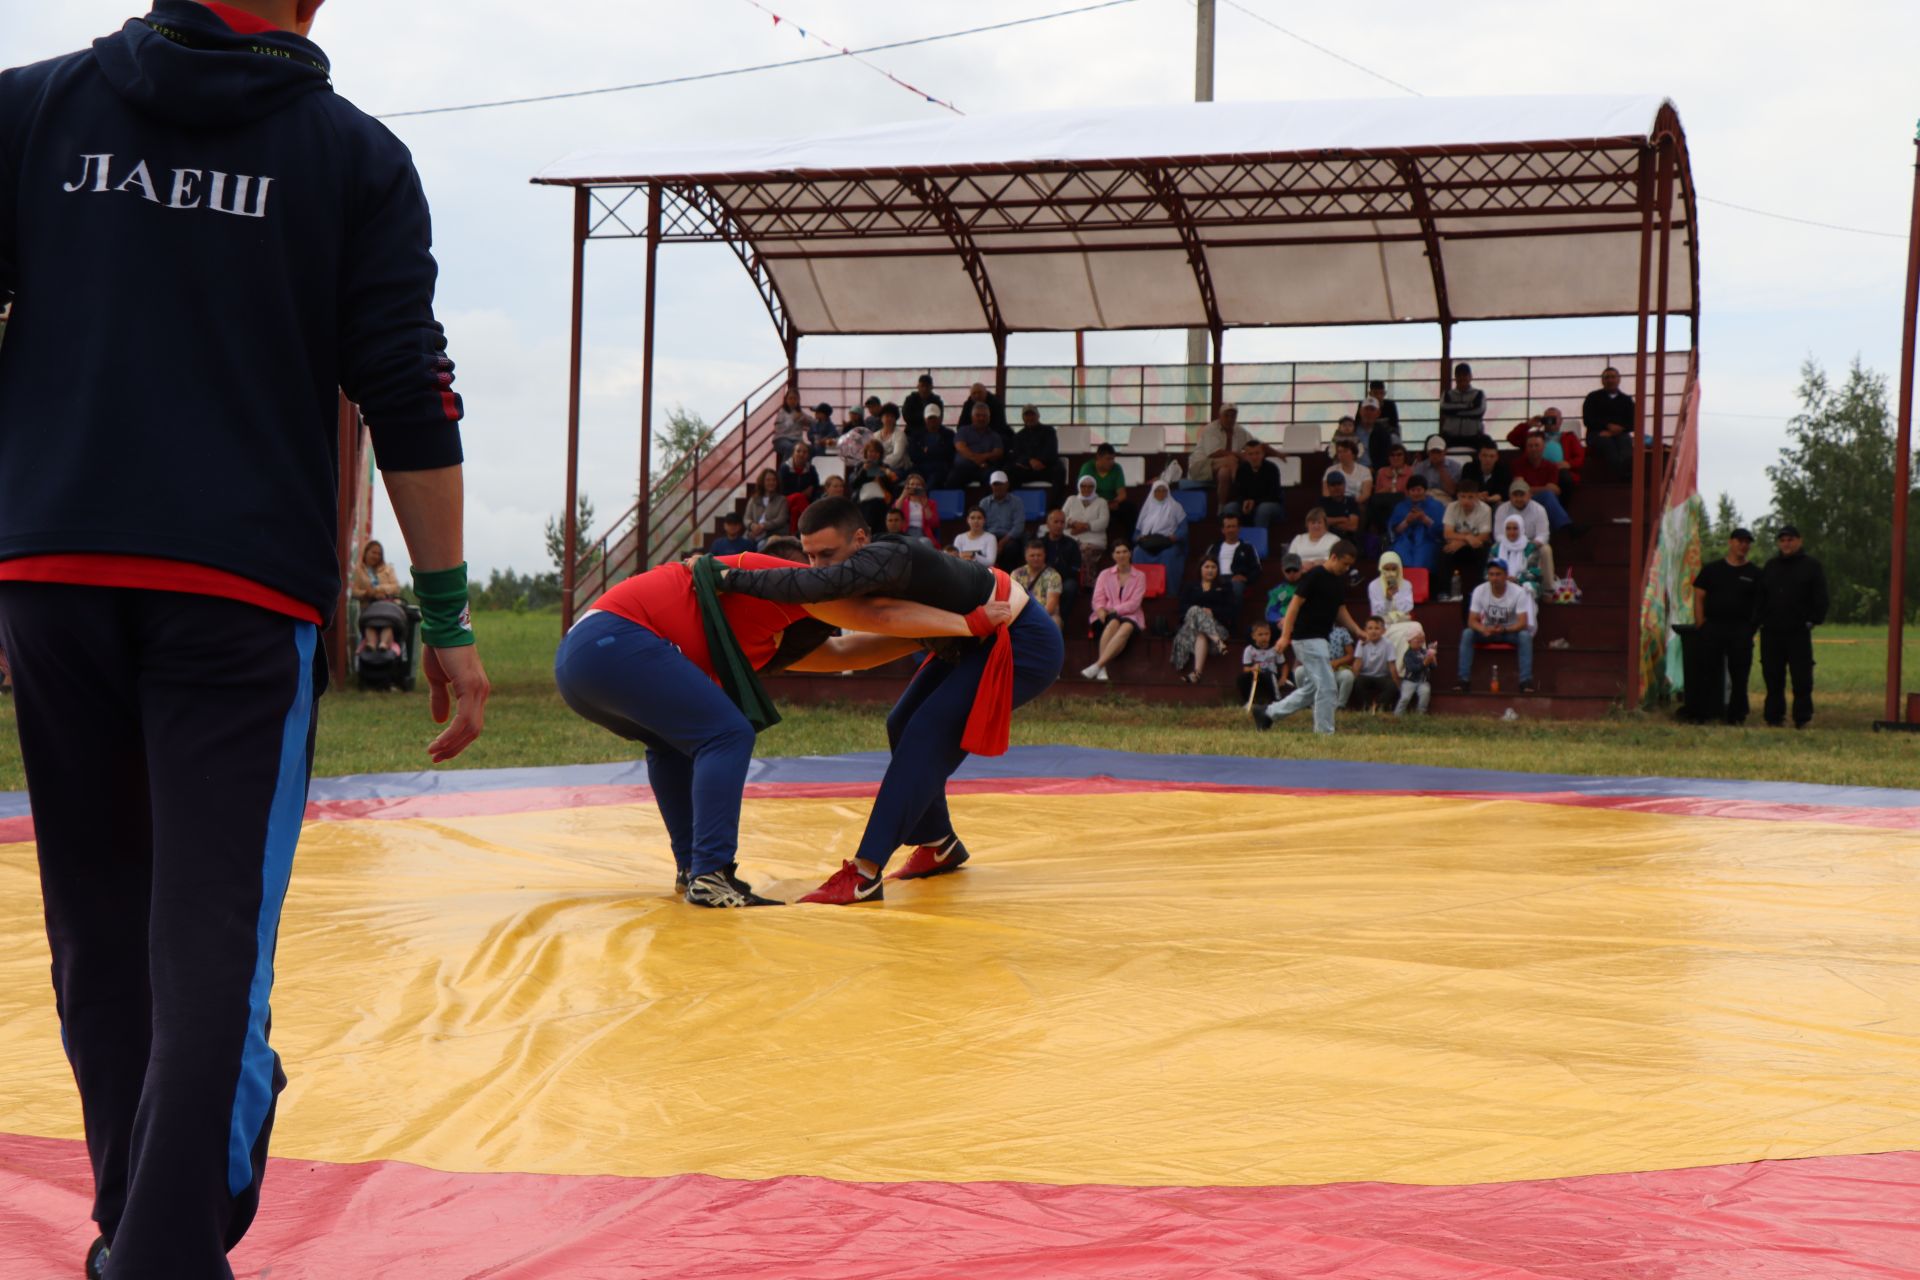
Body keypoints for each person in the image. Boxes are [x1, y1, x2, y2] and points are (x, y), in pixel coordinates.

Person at [0, 3, 493, 1275]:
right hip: (237, 590)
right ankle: (165, 1247)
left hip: (56, 566)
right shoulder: (353, 158)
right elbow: (410, 389)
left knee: (99, 921)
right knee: (210, 929)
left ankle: (137, 1225)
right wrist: (441, 614)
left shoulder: (34, 110)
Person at [564, 536, 1013, 908]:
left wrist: (930, 637)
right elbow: (876, 615)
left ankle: (694, 871)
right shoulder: (770, 579)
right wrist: (966, 623)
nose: (823, 577)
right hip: (614, 640)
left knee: (672, 744)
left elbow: (843, 652)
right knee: (726, 732)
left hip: (581, 660)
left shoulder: (770, 635)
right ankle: (711, 873)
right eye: (814, 566)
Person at [716, 498, 1063, 903]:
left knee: (927, 732)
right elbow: (848, 644)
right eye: (810, 555)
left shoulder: (889, 558)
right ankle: (939, 843)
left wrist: (726, 575)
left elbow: (811, 588)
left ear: (861, 539)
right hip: (973, 638)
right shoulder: (869, 575)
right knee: (902, 722)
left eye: (828, 554)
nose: (819, 567)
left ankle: (865, 872)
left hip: (1021, 640)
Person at [1252, 539, 1364, 734]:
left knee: (1313, 688)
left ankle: (1268, 713)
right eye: (1344, 563)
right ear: (1334, 557)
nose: (1347, 569)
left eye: (1350, 565)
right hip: (1306, 638)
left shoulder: (1337, 581)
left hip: (1320, 638)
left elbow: (1340, 610)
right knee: (1328, 687)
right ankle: (1324, 733)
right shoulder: (1314, 576)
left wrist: (1357, 630)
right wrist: (1285, 636)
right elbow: (1294, 606)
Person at [1691, 527, 1763, 725]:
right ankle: (1702, 713)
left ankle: (1736, 715)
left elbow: (1760, 604)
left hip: (1740, 629)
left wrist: (1751, 627)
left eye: (1747, 542)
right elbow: (1699, 595)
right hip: (1713, 627)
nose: (1743, 545)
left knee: (1740, 674)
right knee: (1706, 671)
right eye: (1739, 541)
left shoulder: (1755, 573)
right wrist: (1700, 623)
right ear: (1730, 543)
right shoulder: (1712, 570)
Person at [1759, 525, 1829, 729]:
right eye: (1782, 540)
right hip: (1772, 630)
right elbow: (1760, 596)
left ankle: (1802, 717)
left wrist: (1813, 620)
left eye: (1790, 540)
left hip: (1798, 630)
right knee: (1772, 676)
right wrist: (1760, 619)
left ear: (1799, 541)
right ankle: (1773, 717)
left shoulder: (1812, 566)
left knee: (1801, 677)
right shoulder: (1771, 566)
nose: (1786, 544)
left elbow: (1821, 597)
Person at [1457, 560, 1536, 693]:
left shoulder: (1518, 592)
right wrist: (1483, 629)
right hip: (1487, 630)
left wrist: (1504, 629)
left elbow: (1523, 622)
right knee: (1467, 633)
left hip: (1509, 631)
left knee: (1525, 636)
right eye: (1491, 574)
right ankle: (1463, 681)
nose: (1494, 578)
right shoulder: (1480, 590)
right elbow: (1471, 621)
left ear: (1506, 575)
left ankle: (1525, 682)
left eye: (1498, 574)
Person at [1083, 541, 1146, 682]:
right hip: (1106, 615)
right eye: (1118, 552)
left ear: (1130, 553)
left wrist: (1113, 610)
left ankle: (1099, 665)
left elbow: (1135, 603)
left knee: (1127, 626)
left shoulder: (1140, 576)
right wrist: (1100, 609)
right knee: (1113, 623)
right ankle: (1101, 668)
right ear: (1113, 556)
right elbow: (1097, 598)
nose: (1121, 555)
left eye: (1124, 551)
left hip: (1131, 614)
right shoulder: (1104, 574)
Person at [1172, 557, 1236, 684]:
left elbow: (1231, 610)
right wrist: (1200, 612)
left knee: (1202, 633)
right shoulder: (1190, 586)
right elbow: (1182, 609)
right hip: (1192, 631)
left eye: (1213, 567)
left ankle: (1196, 673)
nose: (1210, 570)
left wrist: (1213, 612)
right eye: (1207, 567)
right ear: (1200, 569)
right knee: (1195, 610)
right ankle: (1218, 642)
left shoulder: (1225, 587)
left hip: (1218, 628)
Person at [1492, 481, 1559, 585]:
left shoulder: (1539, 509)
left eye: (1522, 495)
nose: (1518, 499)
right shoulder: (1502, 509)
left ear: (1529, 495)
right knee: (1494, 547)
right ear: (1510, 496)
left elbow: (1543, 535)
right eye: (1515, 495)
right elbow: (1498, 535)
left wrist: (1529, 545)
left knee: (1546, 550)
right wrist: (1512, 544)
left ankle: (1548, 589)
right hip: (1509, 543)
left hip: (1532, 544)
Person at [1187, 403, 1252, 506]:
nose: (1230, 419)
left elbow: (1255, 445)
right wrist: (1240, 455)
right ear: (1220, 416)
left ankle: (1222, 508)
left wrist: (1274, 453)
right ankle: (1241, 492)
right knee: (1232, 459)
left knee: (1224, 472)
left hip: (1222, 467)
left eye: (1233, 416)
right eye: (1226, 416)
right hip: (1199, 467)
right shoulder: (1210, 429)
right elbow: (1213, 452)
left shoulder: (1240, 430)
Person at [352, 540, 406, 658]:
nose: (376, 556)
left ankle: (383, 645)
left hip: (388, 606)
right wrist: (367, 593)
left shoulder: (388, 569)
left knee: (387, 623)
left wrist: (378, 589)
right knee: (370, 625)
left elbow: (396, 587)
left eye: (379, 553)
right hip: (369, 608)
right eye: (373, 552)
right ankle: (370, 646)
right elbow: (354, 592)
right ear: (366, 552)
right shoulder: (359, 571)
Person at [1509, 431, 1576, 529]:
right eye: (1530, 446)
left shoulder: (1551, 466)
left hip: (1544, 503)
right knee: (1547, 495)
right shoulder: (1518, 464)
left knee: (1549, 497)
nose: (1533, 449)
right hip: (1524, 501)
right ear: (1526, 448)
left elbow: (1554, 490)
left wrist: (1531, 489)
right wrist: (1545, 489)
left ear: (1543, 447)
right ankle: (1567, 526)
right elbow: (1520, 490)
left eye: (1536, 445)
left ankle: (1562, 526)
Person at [1130, 478, 1188, 589]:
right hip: (1148, 543)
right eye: (1157, 490)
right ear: (1153, 492)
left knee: (1168, 555)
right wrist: (1139, 538)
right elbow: (1136, 533)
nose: (1161, 493)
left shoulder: (1176, 507)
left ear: (1168, 492)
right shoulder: (1146, 508)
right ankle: (1140, 590)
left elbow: (1183, 529)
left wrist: (1175, 537)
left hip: (1168, 543)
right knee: (1137, 552)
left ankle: (1169, 591)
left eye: (1164, 490)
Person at [1441, 480, 1493, 603]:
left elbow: (1484, 536)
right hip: (1460, 544)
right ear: (1458, 496)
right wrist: (1467, 537)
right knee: (1444, 551)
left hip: (1474, 545)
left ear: (1477, 497)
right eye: (1462, 497)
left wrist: (1463, 542)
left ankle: (1479, 590)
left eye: (1470, 497)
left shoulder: (1485, 509)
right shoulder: (1451, 507)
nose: (1466, 501)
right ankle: (1444, 591)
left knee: (1484, 548)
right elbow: (1447, 533)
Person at [1582, 366, 1636, 478]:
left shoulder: (1626, 400)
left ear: (1619, 379)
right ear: (1602, 380)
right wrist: (1607, 426)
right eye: (1607, 377)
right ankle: (1620, 476)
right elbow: (1588, 420)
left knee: (1626, 443)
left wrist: (1617, 431)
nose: (1610, 380)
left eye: (1613, 377)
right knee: (1607, 444)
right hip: (1596, 434)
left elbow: (1633, 422)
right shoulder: (1592, 397)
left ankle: (1627, 475)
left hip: (1621, 433)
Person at [1387, 474, 1447, 572]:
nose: (1416, 493)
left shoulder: (1436, 505)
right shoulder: (1401, 506)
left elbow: (1441, 530)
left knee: (1422, 556)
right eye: (1412, 490)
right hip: (1404, 540)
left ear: (1425, 490)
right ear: (1408, 492)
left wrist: (1424, 519)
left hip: (1428, 539)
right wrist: (1407, 521)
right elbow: (1395, 530)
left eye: (1419, 490)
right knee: (1399, 553)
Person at [1226, 439, 1286, 534]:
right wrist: (1244, 502)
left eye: (1257, 453)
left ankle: (1258, 542)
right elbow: (1237, 493)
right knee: (1230, 507)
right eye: (1250, 454)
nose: (1254, 457)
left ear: (1263, 454)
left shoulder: (1272, 469)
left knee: (1263, 509)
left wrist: (1255, 502)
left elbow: (1274, 495)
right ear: (1246, 456)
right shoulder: (1242, 469)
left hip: (1271, 505)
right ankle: (1233, 541)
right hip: (1247, 504)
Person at [1204, 512, 1261, 605]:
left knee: (1236, 588)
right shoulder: (1214, 547)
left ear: (1239, 529)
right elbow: (1204, 566)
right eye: (1228, 527)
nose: (1231, 530)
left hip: (1235, 580)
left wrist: (1246, 578)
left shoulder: (1248, 547)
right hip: (1216, 578)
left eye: (1233, 526)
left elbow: (1256, 569)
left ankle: (1232, 619)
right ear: (1223, 530)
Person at [949, 399, 1007, 488]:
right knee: (951, 480)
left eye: (984, 416)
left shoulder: (994, 435)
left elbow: (998, 452)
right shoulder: (963, 431)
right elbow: (961, 448)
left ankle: (986, 502)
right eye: (978, 415)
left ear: (989, 418)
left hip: (985, 469)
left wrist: (981, 459)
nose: (981, 418)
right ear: (972, 417)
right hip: (963, 468)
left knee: (993, 478)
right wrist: (979, 461)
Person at [1489, 514, 1547, 600]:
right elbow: (1487, 572)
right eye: (1508, 529)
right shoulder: (1496, 548)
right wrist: (1501, 579)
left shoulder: (1530, 548)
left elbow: (1534, 573)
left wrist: (1517, 580)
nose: (1511, 532)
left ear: (1521, 529)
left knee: (1529, 589)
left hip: (1522, 583)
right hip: (1499, 582)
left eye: (1515, 528)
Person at [977, 470, 1027, 566]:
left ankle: (1007, 576)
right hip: (989, 536)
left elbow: (1018, 527)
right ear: (991, 486)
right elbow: (981, 525)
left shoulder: (1016, 502)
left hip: (1009, 537)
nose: (998, 487)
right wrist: (991, 541)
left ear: (1007, 485)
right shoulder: (984, 503)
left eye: (1000, 484)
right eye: (995, 484)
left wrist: (1002, 543)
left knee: (1011, 548)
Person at [852, 439, 901, 532]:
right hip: (864, 504)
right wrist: (864, 471)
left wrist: (883, 472)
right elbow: (854, 484)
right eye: (871, 451)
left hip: (882, 503)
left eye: (876, 452)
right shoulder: (859, 466)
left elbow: (892, 485)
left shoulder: (885, 467)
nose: (873, 454)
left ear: (880, 454)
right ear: (866, 453)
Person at [1009, 405, 1064, 489]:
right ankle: (1015, 501)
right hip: (1027, 470)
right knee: (1009, 471)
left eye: (1032, 415)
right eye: (1027, 415)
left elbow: (1052, 452)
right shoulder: (1018, 436)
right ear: (1023, 418)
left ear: (1038, 416)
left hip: (1046, 468)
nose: (1030, 418)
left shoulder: (1049, 431)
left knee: (1060, 470)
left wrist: (1040, 461)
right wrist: (1030, 461)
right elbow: (1017, 455)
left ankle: (1054, 502)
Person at [1012, 541, 1064, 628]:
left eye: (1039, 555)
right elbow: (1012, 600)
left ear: (1044, 556)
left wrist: (1033, 620)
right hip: (1021, 614)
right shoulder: (1016, 574)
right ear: (1025, 556)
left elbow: (1051, 606)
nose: (1036, 558)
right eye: (1032, 555)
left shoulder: (1054, 575)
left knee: (1055, 621)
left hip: (1045, 615)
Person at [1063, 473, 1111, 567]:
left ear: (1094, 487)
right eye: (1083, 486)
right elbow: (1061, 518)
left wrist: (1083, 527)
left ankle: (1087, 582)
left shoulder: (1101, 502)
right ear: (1078, 486)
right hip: (1071, 539)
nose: (1086, 489)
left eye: (1090, 486)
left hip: (1094, 541)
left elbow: (1103, 522)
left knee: (1086, 552)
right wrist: (1074, 523)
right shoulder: (1071, 500)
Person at [1349, 617, 1397, 711]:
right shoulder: (1362, 642)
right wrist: (1354, 677)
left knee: (1392, 686)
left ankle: (1378, 706)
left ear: (1383, 631)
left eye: (1377, 628)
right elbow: (1357, 664)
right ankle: (1367, 706)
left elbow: (1392, 666)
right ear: (1365, 630)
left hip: (1382, 676)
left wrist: (1397, 683)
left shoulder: (1388, 644)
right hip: (1365, 676)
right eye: (1370, 628)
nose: (1373, 631)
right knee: (1357, 683)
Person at [1076, 441, 1130, 518]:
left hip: (1111, 504)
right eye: (1108, 459)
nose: (1111, 462)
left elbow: (1122, 494)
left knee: (1129, 508)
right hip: (1092, 503)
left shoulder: (1117, 468)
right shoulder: (1087, 468)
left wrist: (1114, 502)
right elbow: (1083, 492)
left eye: (1113, 459)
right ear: (1098, 457)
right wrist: (1101, 505)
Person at [1392, 625, 1437, 716]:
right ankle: (1397, 715)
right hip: (1410, 681)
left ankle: (1420, 714)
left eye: (1421, 639)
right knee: (1405, 697)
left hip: (1423, 681)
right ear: (1409, 641)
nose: (1419, 641)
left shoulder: (1425, 652)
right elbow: (1413, 669)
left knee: (1425, 694)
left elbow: (1433, 667)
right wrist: (1425, 662)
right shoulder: (1408, 654)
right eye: (1416, 639)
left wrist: (1433, 658)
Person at [907, 403, 955, 489]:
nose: (932, 421)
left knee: (933, 481)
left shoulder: (949, 434)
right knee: (912, 480)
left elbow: (949, 454)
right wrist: (936, 452)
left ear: (940, 419)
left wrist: (927, 451)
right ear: (925, 419)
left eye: (935, 418)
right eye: (930, 418)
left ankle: (924, 498)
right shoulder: (916, 435)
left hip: (940, 469)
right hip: (920, 468)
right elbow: (913, 455)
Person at [1438, 362, 1487, 445]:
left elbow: (1479, 412)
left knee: (1489, 445)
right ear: (1455, 377)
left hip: (1474, 436)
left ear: (1471, 377)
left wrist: (1453, 412)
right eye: (1459, 375)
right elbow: (1444, 409)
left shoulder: (1479, 393)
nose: (1462, 378)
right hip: (1450, 437)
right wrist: (1469, 406)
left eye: (1465, 375)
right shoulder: (1447, 394)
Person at [1368, 442, 1413, 531]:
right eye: (1392, 455)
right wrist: (1385, 490)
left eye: (1399, 455)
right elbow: (1376, 495)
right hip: (1383, 507)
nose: (1395, 458)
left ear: (1404, 456)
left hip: (1403, 505)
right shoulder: (1382, 472)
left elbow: (1411, 494)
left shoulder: (1411, 472)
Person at [1240, 620, 1284, 706]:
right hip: (1257, 675)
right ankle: (1248, 702)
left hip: (1272, 675)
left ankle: (1277, 700)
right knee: (1242, 679)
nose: (1264, 637)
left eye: (1267, 634)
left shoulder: (1275, 648)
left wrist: (1283, 677)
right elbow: (1245, 668)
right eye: (1260, 635)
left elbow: (1283, 664)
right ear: (1253, 636)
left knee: (1269, 675)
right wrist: (1252, 668)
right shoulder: (1249, 649)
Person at [894, 473, 942, 548]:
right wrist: (903, 495)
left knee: (925, 543)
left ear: (923, 487)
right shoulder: (902, 502)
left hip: (922, 533)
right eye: (912, 484)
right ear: (907, 486)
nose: (915, 487)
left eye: (918, 485)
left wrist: (925, 505)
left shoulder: (930, 503)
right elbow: (894, 514)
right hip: (905, 533)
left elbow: (934, 524)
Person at [744, 468, 790, 546]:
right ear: (762, 482)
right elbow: (746, 518)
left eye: (774, 480)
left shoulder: (782, 500)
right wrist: (752, 525)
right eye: (768, 480)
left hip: (773, 534)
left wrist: (763, 526)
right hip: (753, 533)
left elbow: (781, 519)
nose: (771, 482)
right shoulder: (754, 499)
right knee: (743, 544)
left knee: (761, 545)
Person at [1460, 439, 1512, 504]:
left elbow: (1506, 492)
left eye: (1491, 456)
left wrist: (1494, 498)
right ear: (1479, 456)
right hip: (1473, 502)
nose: (1488, 459)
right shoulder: (1469, 468)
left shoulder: (1503, 470)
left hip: (1495, 503)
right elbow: (1463, 489)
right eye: (1484, 455)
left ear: (1497, 457)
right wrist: (1476, 495)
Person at [1324, 437, 1372, 502]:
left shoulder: (1365, 470)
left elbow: (1366, 494)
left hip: (1356, 503)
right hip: (1335, 503)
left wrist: (1351, 504)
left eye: (1345, 451)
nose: (1341, 454)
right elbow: (1326, 493)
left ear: (1353, 454)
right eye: (1339, 452)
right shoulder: (1330, 470)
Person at [1319, 470, 1363, 537]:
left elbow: (1353, 526)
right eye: (1333, 485)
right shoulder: (1323, 502)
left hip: (1348, 540)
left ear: (1344, 485)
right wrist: (1343, 519)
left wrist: (1330, 523)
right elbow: (1320, 522)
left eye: (1339, 484)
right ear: (1328, 487)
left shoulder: (1351, 501)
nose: (1337, 488)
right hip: (1326, 539)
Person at [900, 374, 944, 440]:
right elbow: (906, 416)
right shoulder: (910, 399)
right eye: (922, 386)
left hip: (932, 432)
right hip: (912, 431)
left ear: (932, 387)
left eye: (927, 386)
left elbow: (939, 419)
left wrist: (918, 417)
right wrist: (927, 417)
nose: (925, 389)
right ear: (918, 386)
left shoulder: (937, 401)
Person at [771, 386, 808, 463]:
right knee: (790, 448)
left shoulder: (800, 413)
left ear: (798, 400)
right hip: (781, 439)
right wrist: (793, 420)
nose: (792, 401)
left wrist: (805, 419)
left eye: (795, 399)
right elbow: (779, 430)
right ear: (786, 400)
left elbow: (812, 422)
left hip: (796, 440)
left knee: (806, 449)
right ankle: (784, 471)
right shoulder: (782, 412)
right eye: (790, 398)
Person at [1265, 552, 1303, 624]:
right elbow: (1270, 611)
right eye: (1288, 570)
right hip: (1283, 621)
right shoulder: (1277, 591)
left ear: (1301, 568)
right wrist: (1280, 619)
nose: (1292, 573)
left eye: (1295, 570)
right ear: (1283, 570)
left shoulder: (1310, 586)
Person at [872, 402, 909, 470]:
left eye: (892, 416)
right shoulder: (875, 435)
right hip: (878, 467)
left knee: (874, 475)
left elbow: (897, 456)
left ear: (895, 419)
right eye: (887, 416)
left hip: (897, 469)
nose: (889, 419)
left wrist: (879, 464)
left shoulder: (900, 435)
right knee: (862, 475)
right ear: (881, 418)